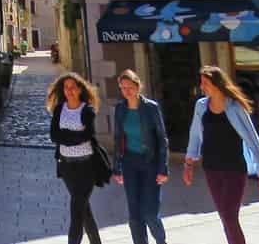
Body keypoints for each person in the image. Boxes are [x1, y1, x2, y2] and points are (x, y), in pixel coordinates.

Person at [184, 65, 259, 244]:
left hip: (234, 168)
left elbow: (252, 139)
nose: (202, 87)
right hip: (211, 168)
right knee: (225, 217)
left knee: (230, 216)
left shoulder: (235, 107)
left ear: (217, 84)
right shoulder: (201, 106)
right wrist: (189, 163)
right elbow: (195, 134)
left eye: (205, 83)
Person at [112, 69, 169, 244]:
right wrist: (117, 168)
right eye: (123, 88)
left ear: (138, 87)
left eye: (129, 87)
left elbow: (162, 138)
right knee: (134, 213)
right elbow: (117, 139)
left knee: (150, 212)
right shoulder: (120, 109)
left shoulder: (151, 107)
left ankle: (161, 241)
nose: (126, 91)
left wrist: (163, 168)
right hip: (130, 163)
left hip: (150, 163)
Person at [47, 71, 104, 244]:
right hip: (67, 167)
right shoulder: (59, 110)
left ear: (80, 89)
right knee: (83, 209)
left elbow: (87, 135)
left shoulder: (87, 110)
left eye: (73, 87)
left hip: (86, 167)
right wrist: (74, 136)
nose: (69, 91)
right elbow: (54, 136)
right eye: (66, 88)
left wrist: (67, 136)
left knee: (76, 210)